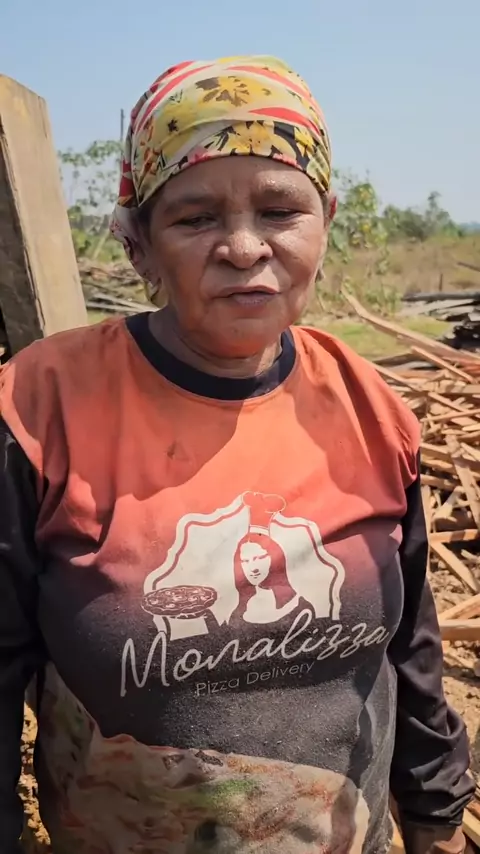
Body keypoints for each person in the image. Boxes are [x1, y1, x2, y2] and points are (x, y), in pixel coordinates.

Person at [0, 55, 474, 854]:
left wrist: (435, 812)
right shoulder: (41, 411)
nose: (245, 247)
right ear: (139, 245)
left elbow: (411, 648)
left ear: (325, 221)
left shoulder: (368, 407)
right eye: (195, 219)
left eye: (280, 209)